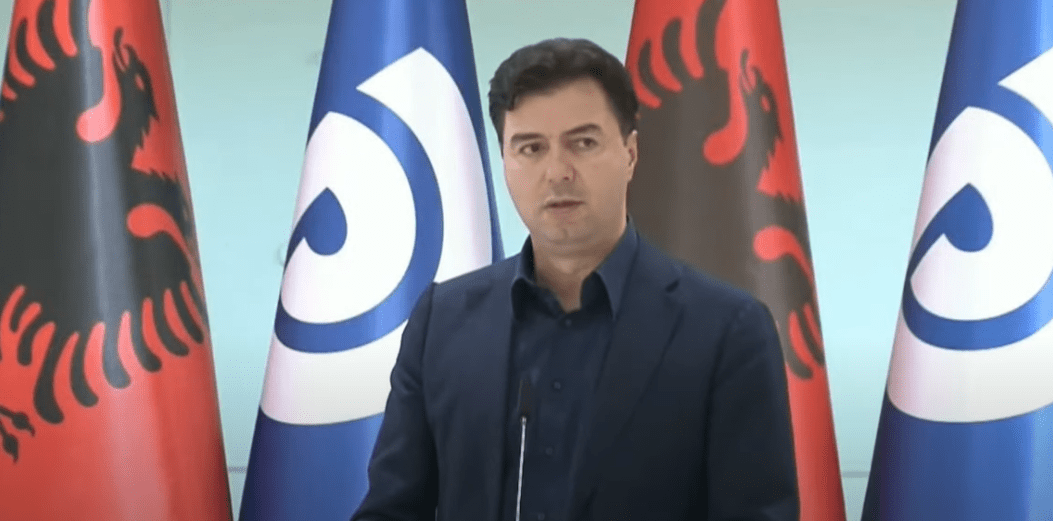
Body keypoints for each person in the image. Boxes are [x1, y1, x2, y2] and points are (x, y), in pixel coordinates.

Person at [351, 38, 798, 521]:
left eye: (583, 143)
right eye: (531, 148)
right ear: (503, 161)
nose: (557, 172)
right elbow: (392, 510)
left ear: (630, 153)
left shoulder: (727, 331)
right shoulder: (442, 322)